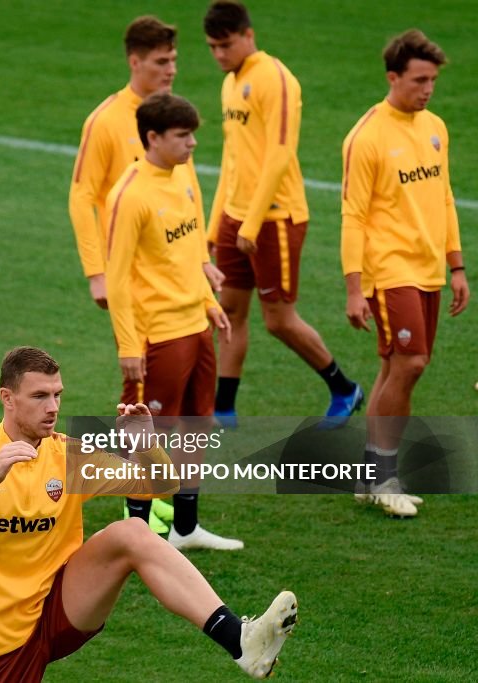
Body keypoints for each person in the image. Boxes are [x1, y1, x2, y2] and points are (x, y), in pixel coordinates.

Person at [0, 346, 297, 680]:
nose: (53, 408)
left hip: (58, 607)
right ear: (7, 398)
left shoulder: (66, 455)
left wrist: (146, 445)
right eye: (39, 397)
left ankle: (240, 639)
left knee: (131, 532)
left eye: (57, 395)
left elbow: (157, 485)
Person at [70, 15, 219, 532]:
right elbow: (82, 195)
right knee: (144, 419)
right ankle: (135, 516)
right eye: (161, 61)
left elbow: (191, 207)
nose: (171, 69)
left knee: (190, 422)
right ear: (135, 62)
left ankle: (179, 519)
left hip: (180, 285)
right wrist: (98, 273)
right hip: (141, 290)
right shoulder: (109, 124)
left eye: (175, 59)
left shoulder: (177, 138)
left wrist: (203, 272)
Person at [202, 1, 362, 426]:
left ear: (248, 35)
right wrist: (214, 223)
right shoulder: (230, 84)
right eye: (213, 47)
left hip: (275, 219)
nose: (219, 54)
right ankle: (223, 410)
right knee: (229, 312)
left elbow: (279, 153)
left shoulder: (275, 79)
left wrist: (252, 222)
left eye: (226, 44)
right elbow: (232, 159)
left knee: (278, 320)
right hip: (236, 220)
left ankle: (345, 389)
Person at [105, 93, 242, 550]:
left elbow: (191, 251)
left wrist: (208, 300)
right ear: (154, 138)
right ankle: (136, 533)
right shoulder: (129, 195)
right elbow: (117, 279)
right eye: (183, 136)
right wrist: (128, 346)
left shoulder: (183, 175)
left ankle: (185, 528)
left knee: (197, 425)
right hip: (156, 336)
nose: (193, 144)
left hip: (195, 327)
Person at [341, 29, 468, 517]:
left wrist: (456, 265)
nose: (428, 89)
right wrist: (356, 289)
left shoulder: (435, 126)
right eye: (419, 80)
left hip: (427, 267)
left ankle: (371, 475)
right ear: (393, 77)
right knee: (410, 363)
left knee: (399, 368)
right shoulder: (368, 136)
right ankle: (384, 475)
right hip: (388, 269)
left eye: (432, 79)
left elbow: (445, 196)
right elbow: (352, 214)